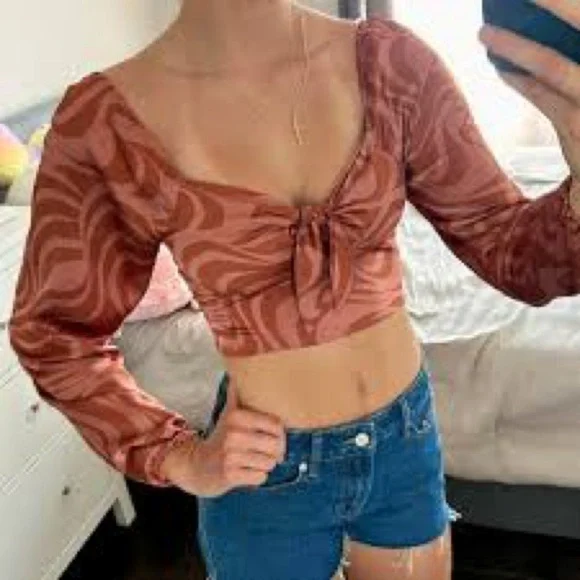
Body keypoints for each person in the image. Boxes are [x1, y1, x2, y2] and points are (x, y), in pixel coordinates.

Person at [9, 1, 580, 578]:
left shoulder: (393, 64)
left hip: (405, 441)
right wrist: (176, 455)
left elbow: (516, 254)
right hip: (266, 473)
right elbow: (55, 335)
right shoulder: (105, 124)